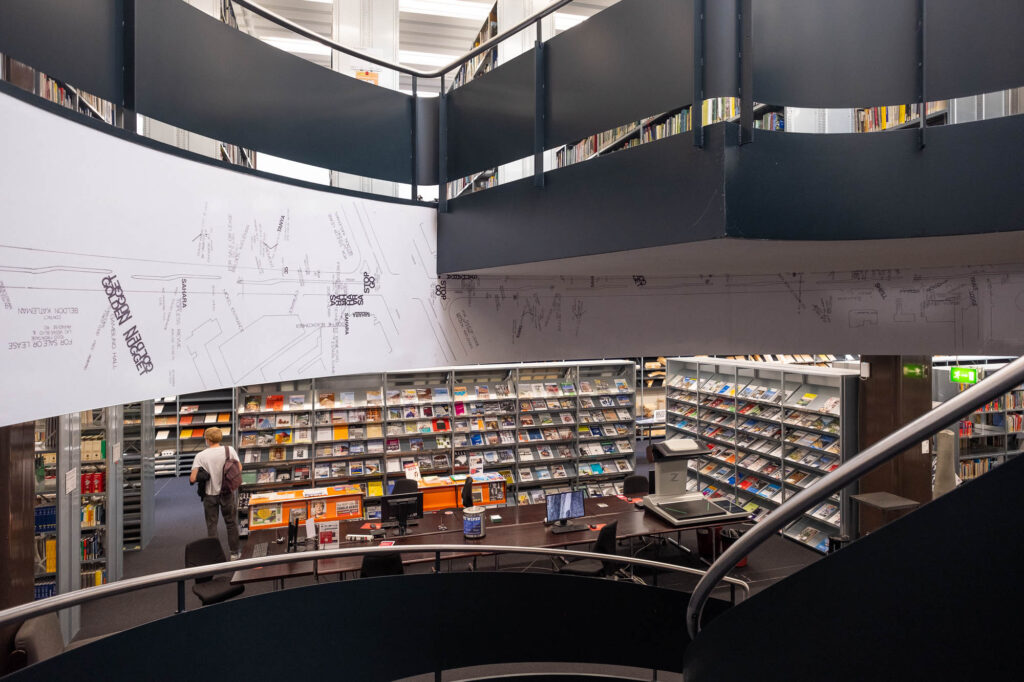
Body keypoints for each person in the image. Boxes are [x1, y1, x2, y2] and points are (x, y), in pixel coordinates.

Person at [190, 427, 241, 559]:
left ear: (207, 439)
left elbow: (192, 478)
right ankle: (235, 553)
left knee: (212, 525)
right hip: (227, 493)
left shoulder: (200, 456)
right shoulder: (230, 450)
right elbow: (239, 468)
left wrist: (204, 475)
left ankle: (215, 556)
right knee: (231, 523)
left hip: (209, 495)